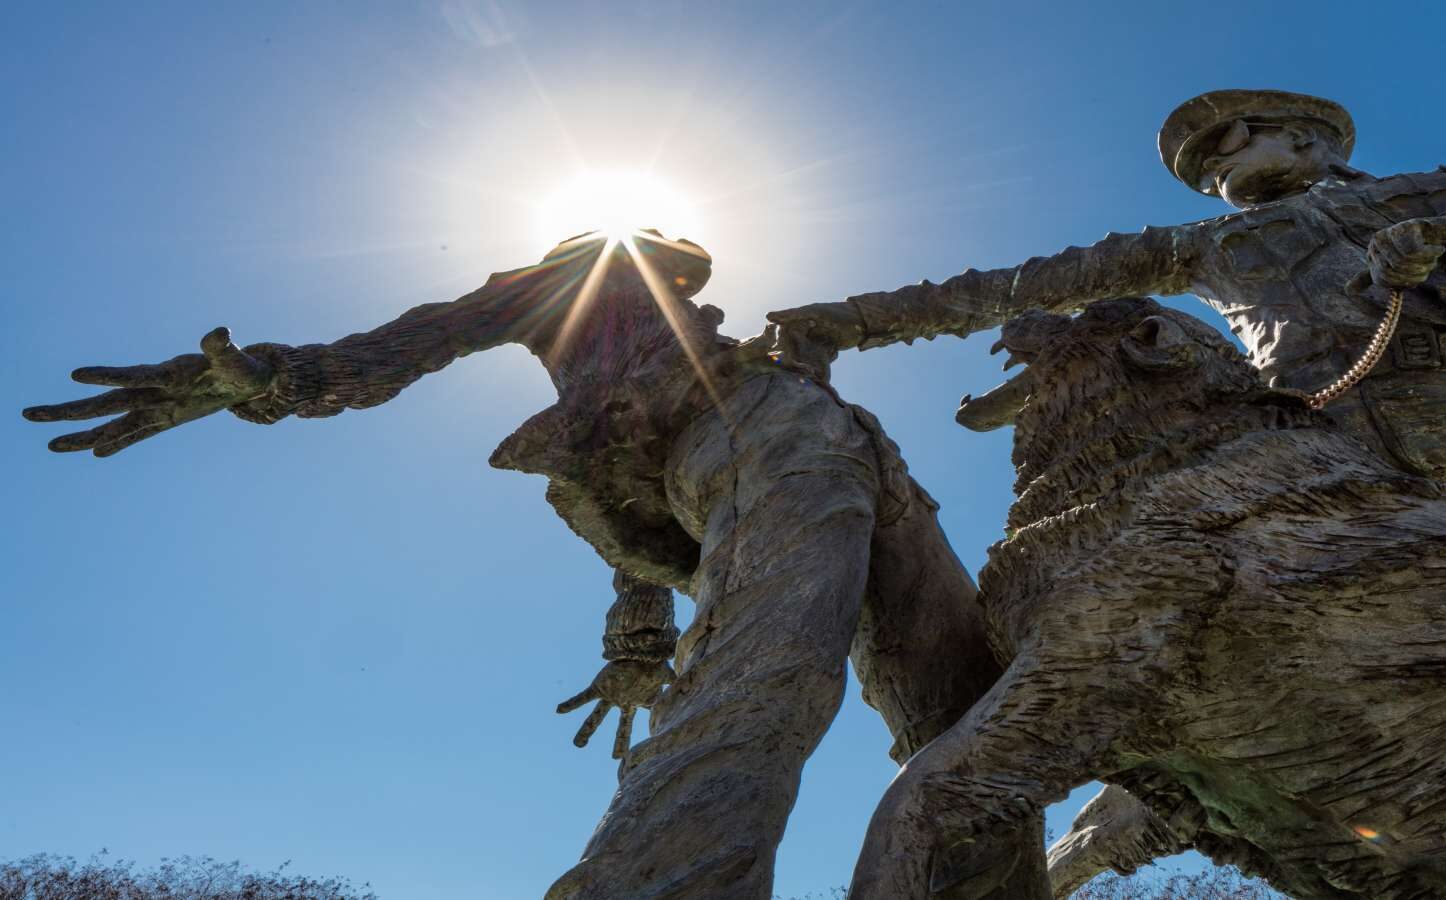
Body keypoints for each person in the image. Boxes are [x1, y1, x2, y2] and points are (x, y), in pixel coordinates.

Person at [22, 232, 1043, 900]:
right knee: (756, 691)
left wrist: (641, 644)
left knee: (974, 725)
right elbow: (422, 339)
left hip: (861, 466)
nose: (672, 287)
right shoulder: (576, 288)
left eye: (676, 276)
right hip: (756, 442)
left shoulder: (760, 348)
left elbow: (649, 538)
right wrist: (284, 380)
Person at [771, 88, 1446, 566]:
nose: (1218, 158)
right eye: (1203, 156)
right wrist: (849, 322)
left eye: (1236, 133)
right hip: (1342, 444)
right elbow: (1011, 285)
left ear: (1313, 137)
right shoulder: (1193, 246)